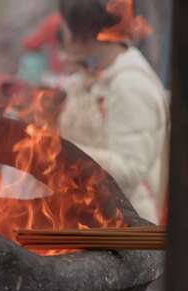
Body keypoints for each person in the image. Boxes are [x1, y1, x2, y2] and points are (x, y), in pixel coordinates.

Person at [57, 0, 169, 223]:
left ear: (84, 32)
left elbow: (129, 170)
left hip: (127, 228)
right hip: (93, 216)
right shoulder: (93, 74)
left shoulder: (130, 84)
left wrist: (57, 150)